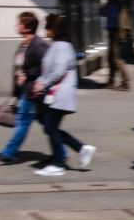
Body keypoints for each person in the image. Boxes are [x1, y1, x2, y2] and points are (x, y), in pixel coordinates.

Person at [31, 14, 95, 177]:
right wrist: (39, 82)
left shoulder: (62, 47)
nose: (46, 30)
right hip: (55, 94)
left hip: (60, 94)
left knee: (50, 127)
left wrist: (42, 84)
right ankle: (80, 149)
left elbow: (58, 72)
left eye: (48, 27)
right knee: (48, 125)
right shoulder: (56, 46)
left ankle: (59, 163)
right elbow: (48, 71)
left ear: (54, 30)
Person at [0, 11, 48, 165]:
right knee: (47, 124)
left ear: (27, 27)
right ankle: (65, 151)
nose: (16, 26)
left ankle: (8, 153)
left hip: (33, 91)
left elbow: (46, 67)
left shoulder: (39, 45)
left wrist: (28, 76)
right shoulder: (24, 45)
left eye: (19, 23)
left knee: (23, 121)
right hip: (24, 91)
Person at [99, 0, 130, 90]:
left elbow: (115, 16)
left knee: (116, 58)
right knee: (111, 57)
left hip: (116, 32)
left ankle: (125, 81)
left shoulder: (114, 2)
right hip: (113, 31)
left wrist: (105, 11)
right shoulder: (111, 2)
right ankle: (111, 81)